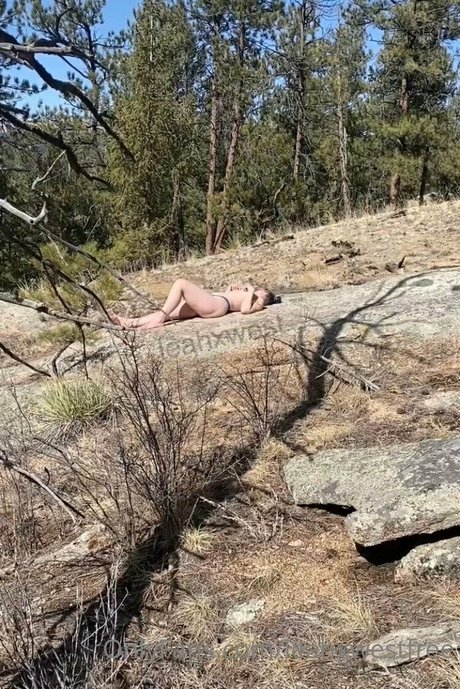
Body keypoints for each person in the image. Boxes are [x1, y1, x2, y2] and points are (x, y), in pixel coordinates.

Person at [112, 279, 279, 330]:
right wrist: (230, 289)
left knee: (180, 284)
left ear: (266, 297)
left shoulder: (259, 302)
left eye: (263, 292)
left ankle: (159, 320)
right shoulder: (250, 294)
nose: (260, 290)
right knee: (168, 310)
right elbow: (232, 298)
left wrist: (250, 290)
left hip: (218, 305)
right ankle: (131, 322)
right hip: (215, 300)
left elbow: (245, 310)